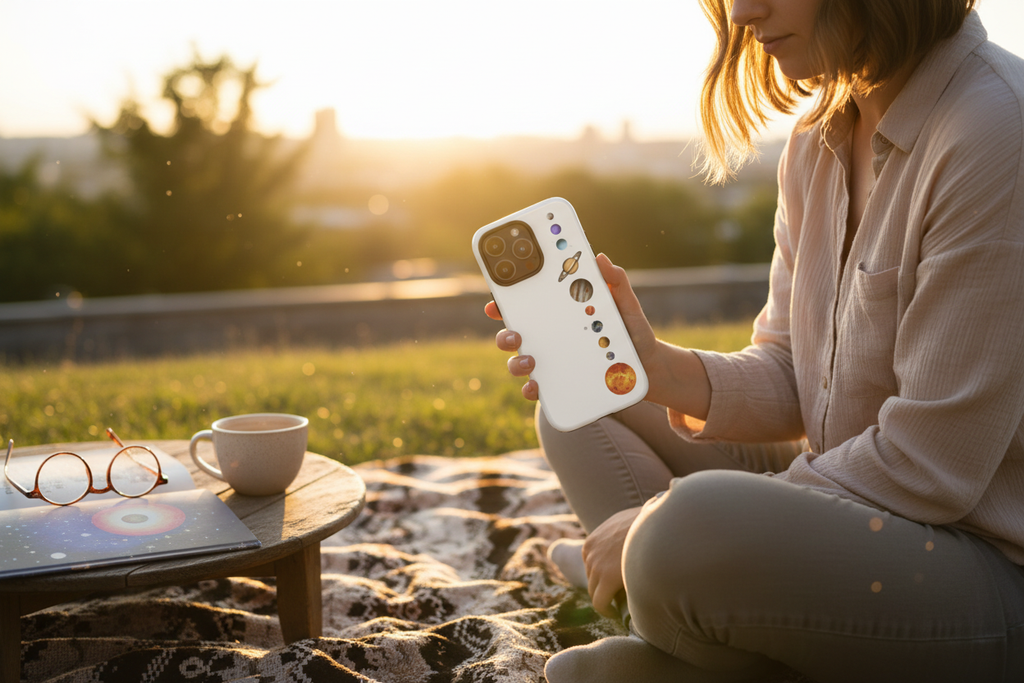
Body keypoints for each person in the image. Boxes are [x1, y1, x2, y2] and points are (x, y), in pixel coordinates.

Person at [484, 0, 1024, 681]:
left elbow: (928, 463)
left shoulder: (996, 129)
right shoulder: (818, 137)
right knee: (582, 399)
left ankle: (655, 594)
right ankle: (670, 599)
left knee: (681, 530)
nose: (742, 13)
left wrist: (654, 520)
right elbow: (791, 370)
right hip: (863, 502)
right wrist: (653, 366)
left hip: (988, 568)